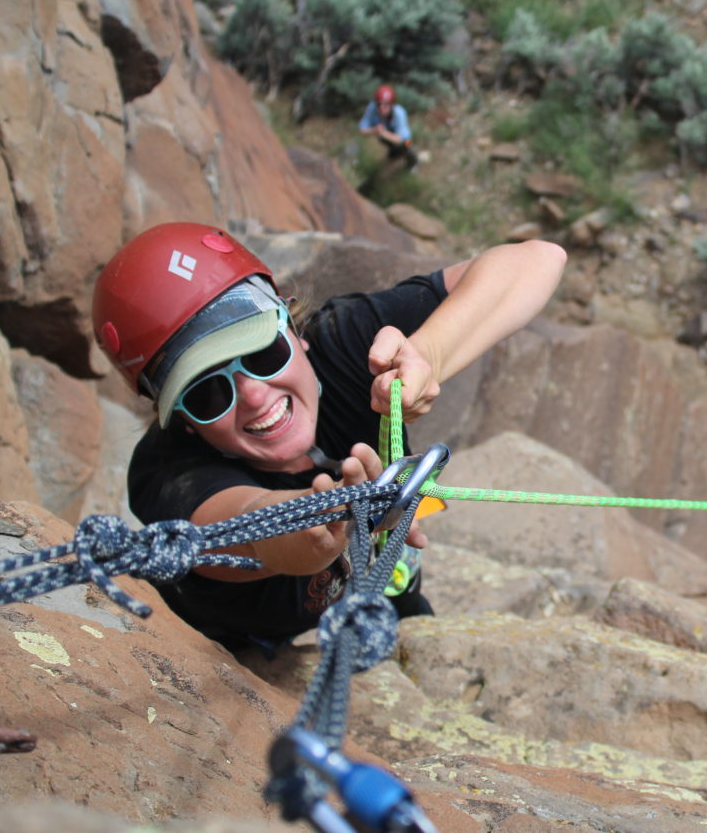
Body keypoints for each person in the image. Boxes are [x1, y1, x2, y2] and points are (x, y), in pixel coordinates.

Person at [92, 221, 566, 653]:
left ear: (293, 328)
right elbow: (241, 525)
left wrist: (426, 355)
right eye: (209, 393)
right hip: (240, 655)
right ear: (181, 419)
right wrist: (325, 523)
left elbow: (539, 259)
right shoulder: (167, 472)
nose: (255, 397)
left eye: (262, 353)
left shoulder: (346, 348)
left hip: (383, 613)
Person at [358, 84, 419, 170]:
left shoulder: (399, 113)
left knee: (409, 145)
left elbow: (400, 138)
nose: (382, 108)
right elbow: (362, 130)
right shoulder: (371, 109)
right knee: (389, 146)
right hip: (385, 137)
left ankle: (413, 164)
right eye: (379, 105)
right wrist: (374, 131)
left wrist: (382, 133)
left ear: (392, 105)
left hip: (402, 139)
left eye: (386, 105)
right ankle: (394, 152)